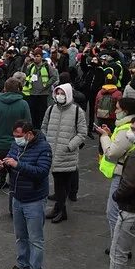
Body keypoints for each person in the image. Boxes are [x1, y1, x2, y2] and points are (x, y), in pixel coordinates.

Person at [86, 115, 135, 269]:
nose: (132, 133)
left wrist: (117, 197)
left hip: (133, 211)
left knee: (118, 252)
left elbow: (128, 184)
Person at [0, 120, 52, 269]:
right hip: (17, 197)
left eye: (19, 136)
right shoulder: (15, 146)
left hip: (34, 199)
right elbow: (11, 167)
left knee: (35, 238)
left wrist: (18, 164)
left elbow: (41, 172)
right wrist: (2, 166)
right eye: (14, 136)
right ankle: (22, 264)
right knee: (21, 235)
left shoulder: (44, 148)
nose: (16, 139)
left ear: (29, 134)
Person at [96, 97, 135, 246]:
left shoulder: (126, 129)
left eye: (117, 109)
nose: (115, 111)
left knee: (113, 212)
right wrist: (109, 135)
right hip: (125, 173)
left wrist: (104, 137)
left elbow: (112, 152)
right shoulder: (127, 126)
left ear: (125, 111)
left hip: (121, 175)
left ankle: (118, 245)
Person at [41, 83, 87, 223]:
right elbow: (44, 127)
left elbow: (82, 133)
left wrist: (69, 146)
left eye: (62, 93)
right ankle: (58, 208)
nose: (59, 96)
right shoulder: (51, 109)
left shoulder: (77, 111)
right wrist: (46, 142)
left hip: (67, 154)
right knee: (58, 182)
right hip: (52, 153)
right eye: (58, 93)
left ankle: (62, 210)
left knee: (62, 184)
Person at [0, 78, 31, 216]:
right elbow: (29, 124)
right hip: (17, 144)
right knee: (14, 174)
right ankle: (12, 207)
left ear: (4, 88)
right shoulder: (23, 104)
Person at [22, 49, 57, 128]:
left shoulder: (47, 66)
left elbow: (54, 77)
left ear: (41, 57)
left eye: (38, 56)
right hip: (32, 93)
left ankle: (40, 129)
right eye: (35, 56)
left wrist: (46, 85)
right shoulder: (30, 66)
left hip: (43, 94)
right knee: (32, 114)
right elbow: (25, 76)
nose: (36, 58)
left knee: (41, 114)